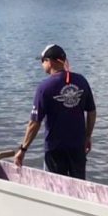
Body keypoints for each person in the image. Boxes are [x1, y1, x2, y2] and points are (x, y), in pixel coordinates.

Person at [13, 44, 96, 179]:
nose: (42, 65)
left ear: (50, 61)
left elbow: (34, 123)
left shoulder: (44, 87)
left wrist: (23, 149)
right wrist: (87, 136)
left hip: (55, 149)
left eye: (42, 61)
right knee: (79, 187)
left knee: (55, 187)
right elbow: (91, 112)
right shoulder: (81, 81)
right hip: (78, 147)